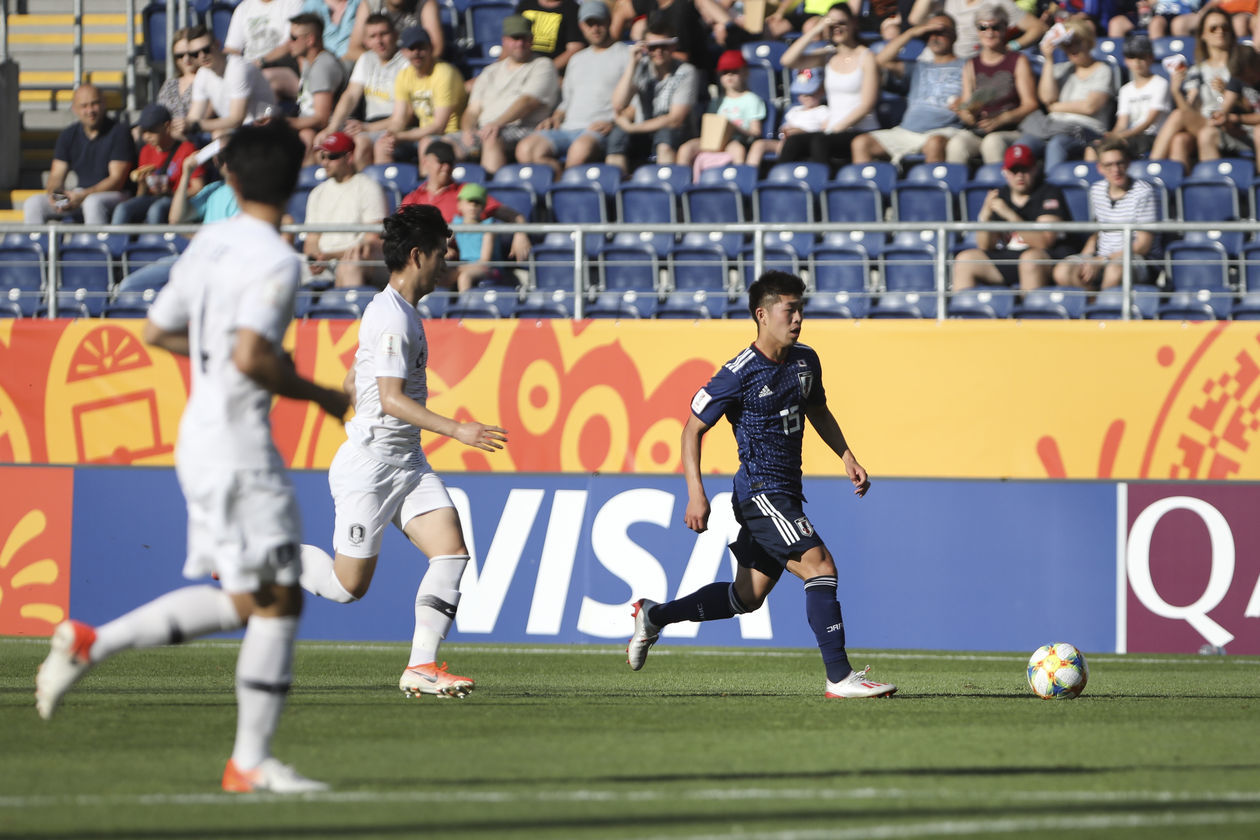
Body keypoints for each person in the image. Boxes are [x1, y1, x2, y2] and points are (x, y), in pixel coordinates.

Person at [35, 121, 350, 793]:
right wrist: (321, 393)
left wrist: (230, 358)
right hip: (237, 444)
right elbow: (250, 355)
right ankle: (250, 761)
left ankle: (93, 642)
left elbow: (157, 330)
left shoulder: (211, 242)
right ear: (297, 180)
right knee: (281, 603)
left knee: (247, 601)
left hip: (198, 435)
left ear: (229, 180)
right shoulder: (277, 257)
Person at [625, 270, 895, 700]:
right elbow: (691, 429)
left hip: (787, 491)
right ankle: (841, 678)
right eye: (790, 310)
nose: (799, 318)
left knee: (745, 597)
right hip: (759, 493)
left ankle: (655, 616)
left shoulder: (806, 360)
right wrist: (696, 493)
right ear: (762, 314)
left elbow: (818, 410)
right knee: (820, 565)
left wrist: (847, 455)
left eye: (801, 309)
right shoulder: (738, 374)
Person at [298, 203, 508, 699]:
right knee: (346, 588)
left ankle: (421, 666)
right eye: (441, 253)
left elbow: (357, 374)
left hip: (406, 461)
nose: (447, 262)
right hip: (371, 466)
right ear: (417, 255)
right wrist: (458, 430)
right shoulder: (393, 317)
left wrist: (351, 393)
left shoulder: (394, 311)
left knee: (451, 553)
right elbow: (391, 399)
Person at [514, 1, 632, 175]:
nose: (595, 29)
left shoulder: (627, 55)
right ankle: (559, 184)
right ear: (581, 26)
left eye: (599, 22)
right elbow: (567, 101)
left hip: (597, 130)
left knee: (579, 150)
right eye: (589, 24)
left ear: (608, 22)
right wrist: (555, 117)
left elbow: (636, 101)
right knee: (526, 149)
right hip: (567, 128)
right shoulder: (577, 59)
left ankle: (566, 190)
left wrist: (613, 122)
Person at [951, 143, 1073, 291]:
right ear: (1005, 172)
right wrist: (985, 217)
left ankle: (1029, 312)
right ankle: (963, 313)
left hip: (1046, 258)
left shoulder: (1049, 193)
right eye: (1014, 170)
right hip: (1010, 257)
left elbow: (1044, 242)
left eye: (1025, 169)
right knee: (965, 260)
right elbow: (985, 246)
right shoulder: (1001, 195)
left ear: (1034, 169)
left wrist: (1010, 215)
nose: (1019, 175)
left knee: (1029, 260)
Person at [450, 15, 561, 173]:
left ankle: (490, 191)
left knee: (492, 137)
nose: (520, 43)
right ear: (504, 40)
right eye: (514, 38)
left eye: (524, 38)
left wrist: (496, 124)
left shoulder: (543, 65)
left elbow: (527, 102)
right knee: (439, 146)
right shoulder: (490, 71)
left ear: (532, 39)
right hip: (484, 129)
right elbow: (473, 110)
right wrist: (468, 130)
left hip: (522, 128)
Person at [850, 14, 965, 166]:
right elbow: (879, 62)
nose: (935, 36)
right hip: (907, 132)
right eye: (930, 33)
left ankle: (930, 189)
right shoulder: (919, 67)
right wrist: (911, 33)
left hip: (943, 131)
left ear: (955, 35)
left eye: (941, 31)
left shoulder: (967, 66)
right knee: (861, 143)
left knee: (934, 143)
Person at [778, 3, 878, 169]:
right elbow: (787, 61)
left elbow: (866, 105)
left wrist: (836, 129)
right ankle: (779, 188)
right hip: (831, 132)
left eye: (842, 23)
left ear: (853, 23)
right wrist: (816, 29)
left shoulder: (867, 57)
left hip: (859, 129)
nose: (837, 28)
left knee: (820, 141)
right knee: (793, 142)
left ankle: (824, 189)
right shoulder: (828, 56)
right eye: (832, 24)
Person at [1053, 138, 1159, 289]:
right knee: (1063, 271)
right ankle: (1092, 306)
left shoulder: (1143, 192)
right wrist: (1086, 256)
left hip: (1136, 259)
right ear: (1100, 168)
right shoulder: (1096, 190)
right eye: (1108, 165)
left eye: (1119, 163)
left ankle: (1102, 308)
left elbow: (1143, 245)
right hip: (1103, 256)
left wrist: (1104, 259)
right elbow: (1099, 229)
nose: (1115, 170)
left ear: (1128, 163)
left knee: (1114, 271)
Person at [24, 84, 135, 226]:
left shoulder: (119, 132)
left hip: (116, 195)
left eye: (95, 104)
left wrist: (83, 195)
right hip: (80, 195)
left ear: (104, 104)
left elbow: (116, 181)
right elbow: (56, 176)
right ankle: (38, 246)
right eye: (84, 106)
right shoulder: (68, 135)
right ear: (74, 109)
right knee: (34, 203)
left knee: (92, 203)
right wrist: (57, 196)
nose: (90, 111)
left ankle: (93, 247)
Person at [400, 140, 532, 260]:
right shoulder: (413, 197)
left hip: (459, 263)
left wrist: (521, 234)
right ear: (425, 162)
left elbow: (514, 216)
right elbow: (400, 232)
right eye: (441, 162)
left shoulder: (467, 193)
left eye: (450, 162)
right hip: (423, 258)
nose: (446, 167)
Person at [1014, 18, 1117, 172]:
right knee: (1022, 145)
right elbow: (1046, 98)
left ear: (1088, 42)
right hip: (1053, 127)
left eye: (1077, 42)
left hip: (1086, 130)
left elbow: (1090, 107)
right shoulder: (1060, 69)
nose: (1072, 48)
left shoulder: (1103, 69)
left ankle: (1052, 188)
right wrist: (1048, 60)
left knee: (1058, 144)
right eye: (1067, 44)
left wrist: (1055, 107)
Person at [945, 3, 1039, 166]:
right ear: (977, 30)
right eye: (983, 27)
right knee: (956, 144)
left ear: (1005, 30)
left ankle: (998, 190)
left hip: (1010, 128)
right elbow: (969, 110)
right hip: (980, 129)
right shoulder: (970, 65)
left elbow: (1030, 103)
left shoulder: (1017, 60)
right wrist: (964, 111)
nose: (989, 32)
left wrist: (1003, 119)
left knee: (992, 143)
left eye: (995, 27)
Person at [606, 13, 699, 173]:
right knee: (617, 137)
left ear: (674, 46)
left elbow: (675, 120)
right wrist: (632, 65)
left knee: (665, 138)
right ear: (644, 48)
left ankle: (664, 189)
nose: (658, 51)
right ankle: (617, 192)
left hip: (674, 133)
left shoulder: (686, 71)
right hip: (644, 133)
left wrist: (634, 128)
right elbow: (618, 104)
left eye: (663, 45)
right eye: (652, 47)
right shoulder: (641, 67)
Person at [1151, 7, 1240, 169]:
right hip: (1204, 122)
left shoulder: (1241, 66)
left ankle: (1152, 168)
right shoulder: (1197, 70)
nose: (1220, 32)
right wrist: (1176, 92)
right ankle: (1175, 187)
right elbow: (1189, 109)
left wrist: (1229, 93)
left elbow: (1252, 104)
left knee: (1181, 121)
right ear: (1203, 35)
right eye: (1213, 28)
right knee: (1180, 139)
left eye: (1225, 27)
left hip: (1233, 124)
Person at [317, 12, 408, 166]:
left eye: (383, 34)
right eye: (373, 36)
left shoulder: (405, 63)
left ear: (395, 35)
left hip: (393, 125)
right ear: (365, 41)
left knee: (369, 144)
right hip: (369, 124)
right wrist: (331, 128)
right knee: (327, 143)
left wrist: (367, 127)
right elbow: (351, 95)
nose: (379, 41)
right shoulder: (366, 59)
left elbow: (404, 117)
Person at [302, 132, 390, 287]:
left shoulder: (368, 188)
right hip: (324, 261)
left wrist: (329, 256)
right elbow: (312, 239)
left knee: (350, 265)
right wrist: (314, 259)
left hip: (356, 260)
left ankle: (347, 309)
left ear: (349, 157)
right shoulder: (317, 193)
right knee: (283, 266)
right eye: (323, 156)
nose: (325, 162)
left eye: (332, 157)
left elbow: (371, 242)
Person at [112, 104, 206, 227]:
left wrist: (171, 193)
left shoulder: (187, 149)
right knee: (123, 209)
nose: (146, 136)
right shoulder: (146, 150)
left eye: (151, 130)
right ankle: (117, 243)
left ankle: (155, 245)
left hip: (180, 200)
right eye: (143, 131)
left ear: (167, 127)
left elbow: (199, 188)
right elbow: (141, 196)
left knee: (156, 209)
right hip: (153, 198)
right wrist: (142, 183)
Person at [382, 25, 466, 164]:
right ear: (403, 52)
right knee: (382, 145)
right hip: (423, 133)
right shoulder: (404, 76)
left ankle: (426, 185)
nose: (416, 53)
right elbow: (399, 118)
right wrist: (391, 135)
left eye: (421, 48)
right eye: (411, 48)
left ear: (430, 48)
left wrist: (402, 136)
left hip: (451, 134)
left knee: (426, 146)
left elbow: (439, 126)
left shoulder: (444, 73)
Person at [677, 49, 766, 170]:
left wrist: (733, 127)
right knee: (686, 148)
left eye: (734, 71)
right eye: (725, 72)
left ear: (745, 72)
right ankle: (683, 185)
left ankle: (738, 182)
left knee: (737, 150)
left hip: (735, 141)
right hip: (713, 141)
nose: (729, 75)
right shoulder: (716, 102)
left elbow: (755, 133)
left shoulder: (752, 100)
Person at [184, 31, 279, 138]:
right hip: (243, 131)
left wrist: (196, 126)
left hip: (265, 128)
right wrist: (180, 127)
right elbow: (194, 117)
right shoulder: (202, 74)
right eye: (195, 54)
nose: (202, 56)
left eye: (206, 50)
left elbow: (236, 119)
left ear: (217, 45)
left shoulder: (239, 68)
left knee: (219, 135)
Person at [1093, 33, 1170, 161]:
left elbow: (1149, 122)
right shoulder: (1125, 90)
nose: (1137, 62)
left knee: (1118, 148)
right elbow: (1122, 123)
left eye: (1141, 57)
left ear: (1151, 58)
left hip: (1153, 137)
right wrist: (1111, 136)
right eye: (1132, 57)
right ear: (1126, 61)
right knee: (1095, 149)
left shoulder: (1160, 83)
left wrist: (1122, 136)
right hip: (1131, 136)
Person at [288, 12, 350, 160]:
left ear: (310, 40)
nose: (288, 42)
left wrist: (286, 123)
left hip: (326, 130)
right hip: (308, 125)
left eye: (293, 38)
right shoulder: (309, 61)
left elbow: (321, 119)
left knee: (305, 137)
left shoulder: (323, 66)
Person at [747, 68, 830, 169]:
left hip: (807, 144)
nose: (806, 96)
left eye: (810, 93)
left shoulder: (823, 110)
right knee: (759, 144)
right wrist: (785, 131)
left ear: (821, 91)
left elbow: (824, 134)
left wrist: (802, 132)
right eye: (802, 93)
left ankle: (781, 170)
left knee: (790, 144)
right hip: (785, 142)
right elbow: (784, 128)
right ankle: (749, 172)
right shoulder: (794, 110)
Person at [907, 0, 1046, 60]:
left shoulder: (998, 3)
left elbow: (1038, 28)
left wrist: (1010, 47)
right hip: (929, 61)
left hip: (963, 69)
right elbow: (916, 20)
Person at [223, 0, 305, 100]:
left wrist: (260, 62)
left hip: (283, 64)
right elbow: (232, 49)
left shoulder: (292, 3)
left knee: (262, 80)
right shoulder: (243, 8)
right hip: (249, 69)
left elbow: (292, 43)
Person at [347, 0, 445, 64]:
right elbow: (353, 50)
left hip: (413, 69)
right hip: (379, 67)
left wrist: (403, 66)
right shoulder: (371, 3)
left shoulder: (424, 3)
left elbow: (436, 49)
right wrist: (385, 64)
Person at [450, 183, 507, 290]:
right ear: (460, 204)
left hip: (490, 269)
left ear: (483, 206)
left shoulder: (489, 226)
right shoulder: (456, 224)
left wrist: (459, 268)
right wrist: (446, 249)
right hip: (466, 266)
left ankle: (464, 306)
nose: (473, 206)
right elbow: (442, 243)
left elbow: (485, 261)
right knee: (438, 275)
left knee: (464, 277)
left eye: (477, 203)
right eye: (469, 202)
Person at [155, 25, 205, 142]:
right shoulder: (170, 84)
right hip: (166, 135)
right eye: (180, 55)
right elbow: (158, 113)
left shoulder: (206, 80)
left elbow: (201, 118)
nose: (186, 59)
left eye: (190, 53)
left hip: (194, 135)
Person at [517, 0, 586, 72]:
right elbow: (510, 39)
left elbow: (575, 48)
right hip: (521, 69)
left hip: (553, 73)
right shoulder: (525, 5)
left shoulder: (572, 9)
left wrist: (547, 70)